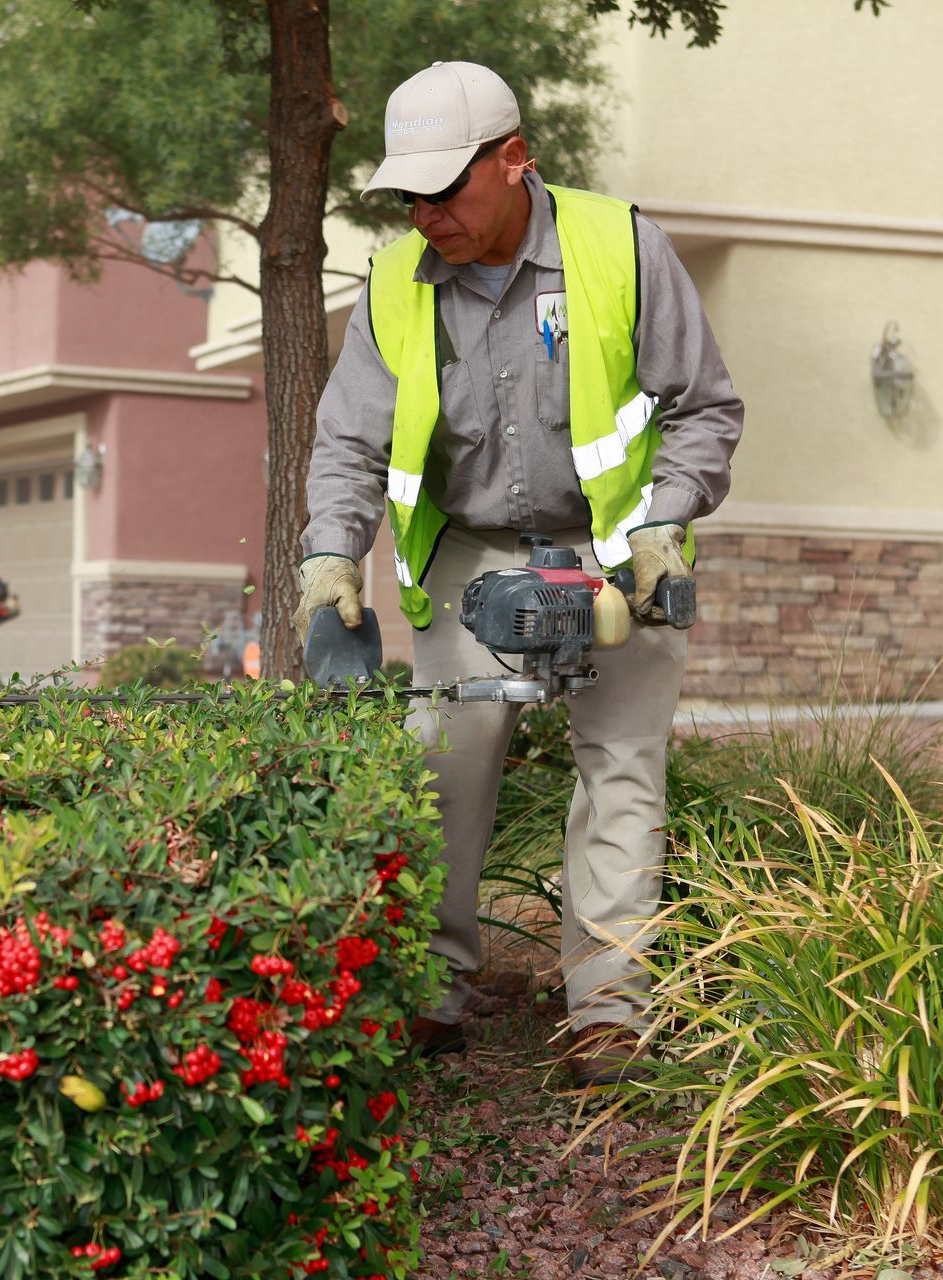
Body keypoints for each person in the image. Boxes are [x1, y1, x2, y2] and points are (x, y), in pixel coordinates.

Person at [295, 61, 742, 1084]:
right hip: (471, 555)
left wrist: (665, 523)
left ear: (514, 158)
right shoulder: (395, 281)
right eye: (408, 194)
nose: (425, 214)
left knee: (622, 771)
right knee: (439, 768)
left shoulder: (620, 246)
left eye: (446, 189)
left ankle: (609, 1009)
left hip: (616, 549)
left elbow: (705, 406)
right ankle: (429, 990)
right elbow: (349, 444)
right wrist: (331, 555)